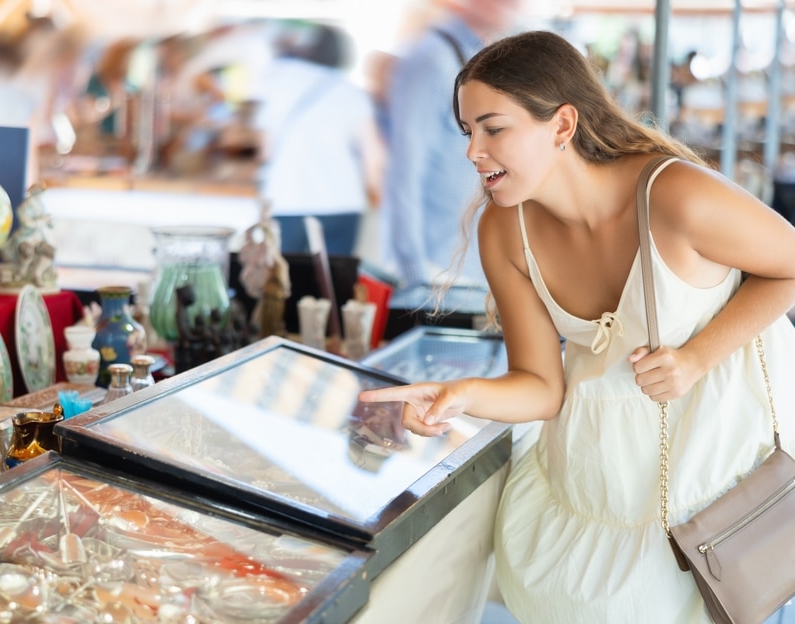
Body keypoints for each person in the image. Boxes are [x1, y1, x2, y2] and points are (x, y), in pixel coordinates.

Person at [358, 30, 795, 622]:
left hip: (715, 480)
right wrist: (456, 396)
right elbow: (541, 384)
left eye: (493, 128)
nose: (472, 152)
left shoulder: (678, 197)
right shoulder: (504, 229)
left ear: (561, 126)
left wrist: (697, 357)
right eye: (468, 132)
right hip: (600, 479)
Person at [377, 0, 522, 287]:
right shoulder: (433, 59)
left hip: (473, 265)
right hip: (437, 269)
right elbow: (404, 172)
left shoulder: (482, 56)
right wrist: (416, 273)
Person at [251, 22, 384, 256]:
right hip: (343, 203)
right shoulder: (352, 92)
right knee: (333, 286)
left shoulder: (277, 82)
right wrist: (378, 198)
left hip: (288, 200)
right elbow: (374, 158)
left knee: (282, 284)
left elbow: (266, 150)